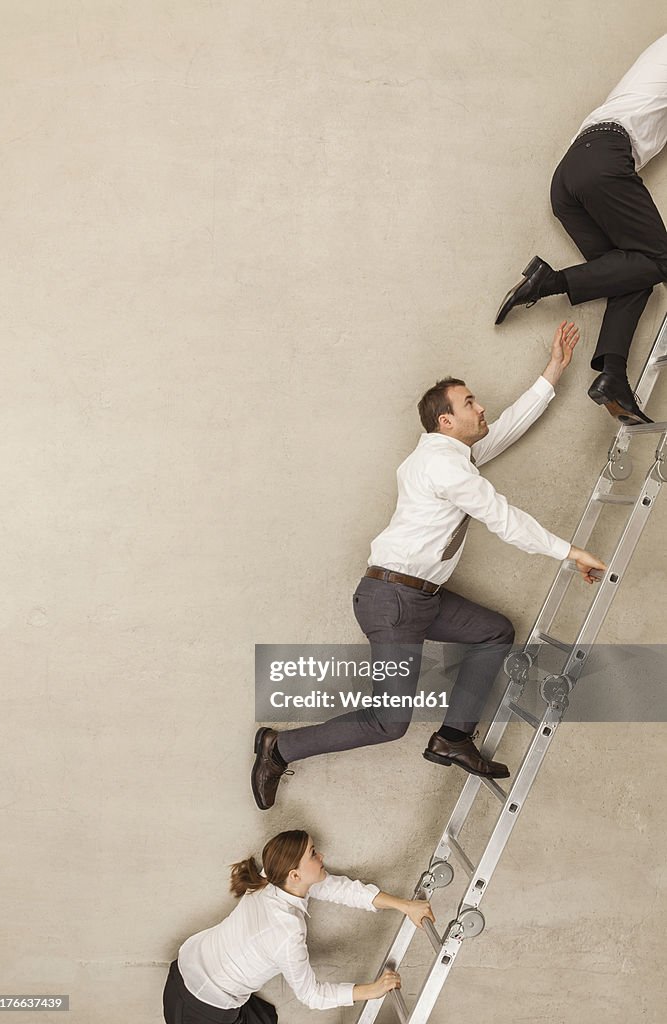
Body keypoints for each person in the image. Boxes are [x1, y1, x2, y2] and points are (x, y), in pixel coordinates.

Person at [251, 322, 606, 811]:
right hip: (394, 601)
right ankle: (278, 747)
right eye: (470, 404)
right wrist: (572, 553)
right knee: (387, 722)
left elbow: (502, 431)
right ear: (445, 421)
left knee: (494, 632)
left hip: (418, 598)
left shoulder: (450, 457)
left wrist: (553, 372)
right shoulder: (444, 467)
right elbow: (502, 518)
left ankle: (453, 738)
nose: (481, 409)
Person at [494, 34, 667, 425]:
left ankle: (613, 377)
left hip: (570, 174)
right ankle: (549, 281)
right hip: (603, 158)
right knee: (661, 259)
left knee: (632, 275)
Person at [162, 829, 433, 1023]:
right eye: (314, 854)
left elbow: (342, 890)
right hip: (203, 1009)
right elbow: (311, 995)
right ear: (295, 874)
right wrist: (370, 991)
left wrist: (405, 905)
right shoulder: (287, 931)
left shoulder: (272, 876)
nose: (322, 855)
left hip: (186, 966)